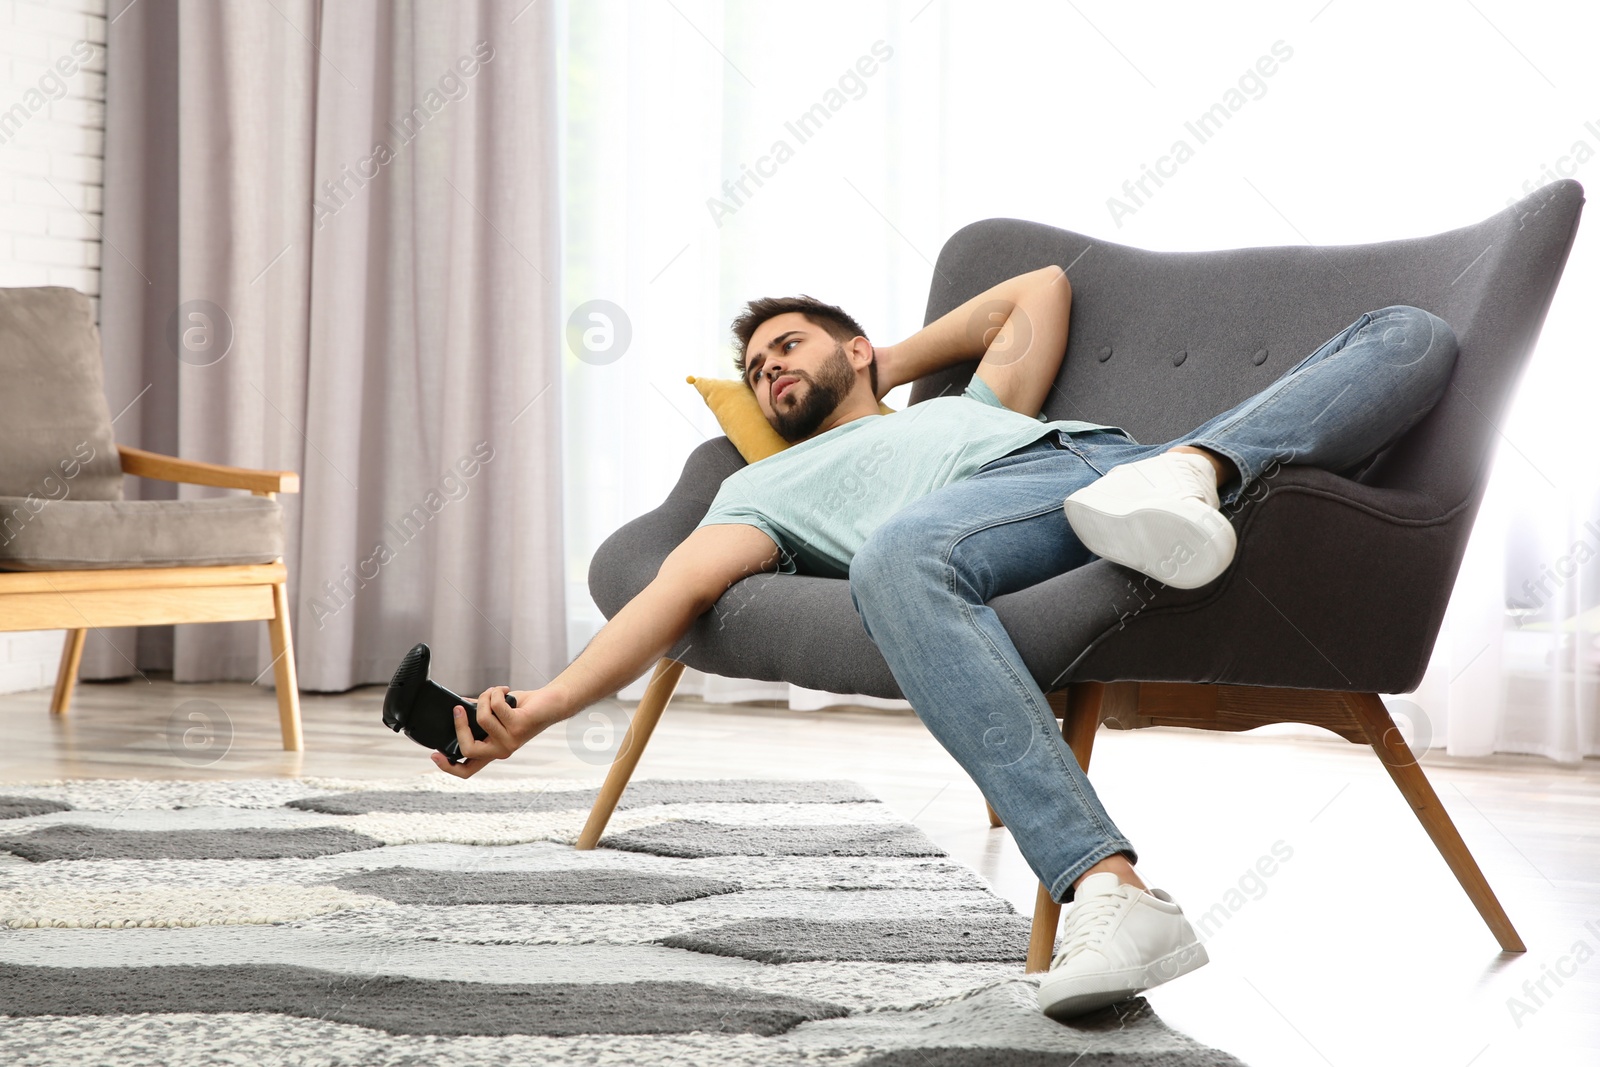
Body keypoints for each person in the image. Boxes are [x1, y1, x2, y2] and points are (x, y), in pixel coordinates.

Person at [426, 267, 1458, 1020]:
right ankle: (1109, 889)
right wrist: (550, 705)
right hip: (974, 526)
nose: (769, 368)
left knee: (1408, 329)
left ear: (855, 345)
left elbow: (1040, 289)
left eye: (787, 345)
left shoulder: (975, 403)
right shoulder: (756, 489)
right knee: (893, 555)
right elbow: (671, 595)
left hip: (1101, 469)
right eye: (754, 368)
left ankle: (1194, 467)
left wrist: (879, 363)